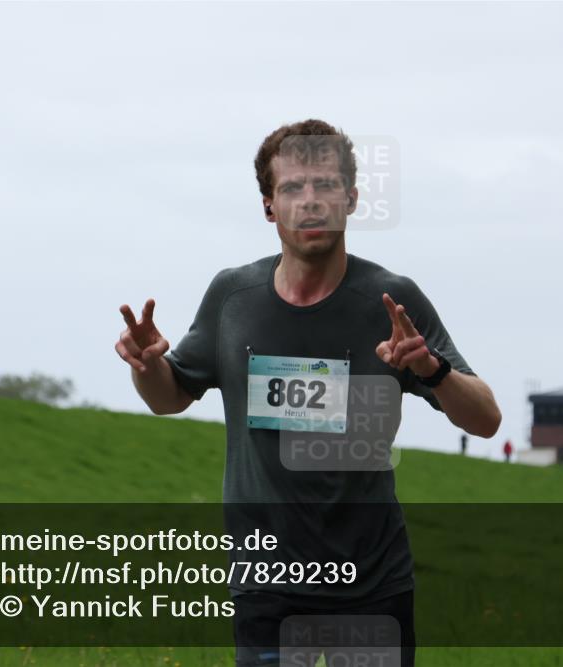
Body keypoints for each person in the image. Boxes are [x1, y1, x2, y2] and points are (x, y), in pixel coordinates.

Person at [114, 119, 502, 667]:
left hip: (372, 586)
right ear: (269, 206)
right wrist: (147, 365)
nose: (311, 201)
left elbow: (485, 419)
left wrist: (432, 371)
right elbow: (169, 396)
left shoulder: (392, 301)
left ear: (351, 199)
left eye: (324, 185)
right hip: (265, 584)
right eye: (293, 188)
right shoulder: (233, 299)